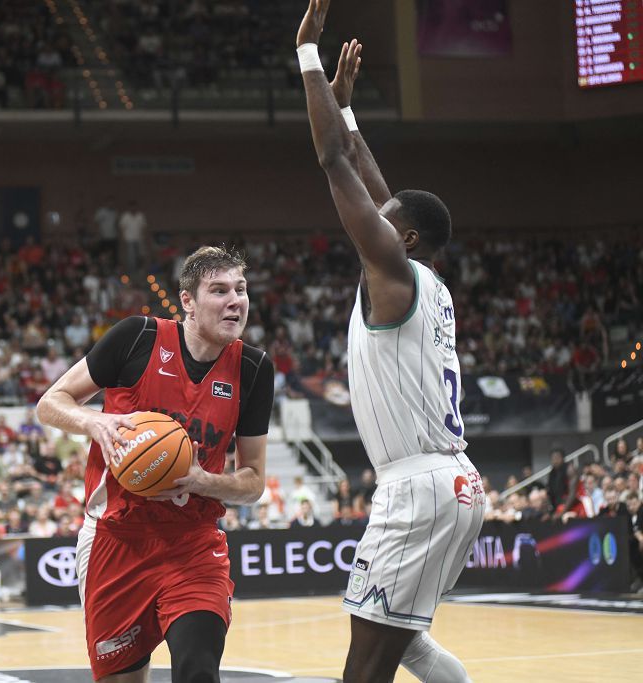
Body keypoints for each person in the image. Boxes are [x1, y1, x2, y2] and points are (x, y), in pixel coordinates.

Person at [296, 3, 484, 680]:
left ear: (401, 239)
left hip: (418, 485)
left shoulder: (397, 275)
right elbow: (375, 182)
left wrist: (308, 56)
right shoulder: (424, 279)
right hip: (453, 480)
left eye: (385, 220)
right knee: (406, 643)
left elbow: (332, 162)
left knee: (365, 667)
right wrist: (346, 108)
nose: (373, 218)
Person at [36, 245, 274, 682]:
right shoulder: (137, 337)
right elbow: (50, 403)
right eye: (219, 290)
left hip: (192, 542)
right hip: (116, 540)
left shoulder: (255, 369)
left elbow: (254, 481)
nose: (235, 300)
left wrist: (203, 480)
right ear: (188, 301)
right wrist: (96, 423)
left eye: (240, 289)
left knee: (198, 668)